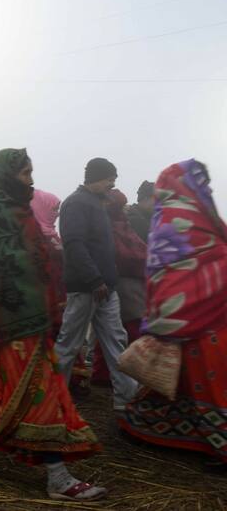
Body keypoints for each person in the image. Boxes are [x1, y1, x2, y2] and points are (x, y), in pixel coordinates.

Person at [0, 149, 105, 502]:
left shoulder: (13, 209)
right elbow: (7, 266)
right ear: (7, 175)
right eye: (25, 173)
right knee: (41, 391)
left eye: (31, 172)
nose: (30, 178)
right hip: (13, 320)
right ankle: (57, 477)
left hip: (18, 317)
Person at [119, 160, 227, 464]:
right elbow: (180, 268)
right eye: (201, 182)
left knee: (177, 381)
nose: (207, 189)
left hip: (188, 316)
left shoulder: (171, 216)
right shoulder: (186, 217)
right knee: (209, 384)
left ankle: (145, 429)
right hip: (204, 321)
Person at [54, 158, 137, 411]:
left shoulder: (96, 203)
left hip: (105, 287)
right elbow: (74, 244)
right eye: (109, 178)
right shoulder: (76, 203)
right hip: (86, 287)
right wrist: (94, 279)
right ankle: (51, 402)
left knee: (116, 341)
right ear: (95, 177)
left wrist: (106, 281)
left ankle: (127, 400)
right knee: (70, 344)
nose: (112, 183)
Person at [91, 189, 147, 384]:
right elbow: (127, 254)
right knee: (129, 329)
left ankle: (102, 374)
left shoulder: (118, 223)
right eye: (121, 205)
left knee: (110, 331)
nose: (124, 209)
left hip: (121, 281)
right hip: (125, 283)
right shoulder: (114, 225)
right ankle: (127, 374)